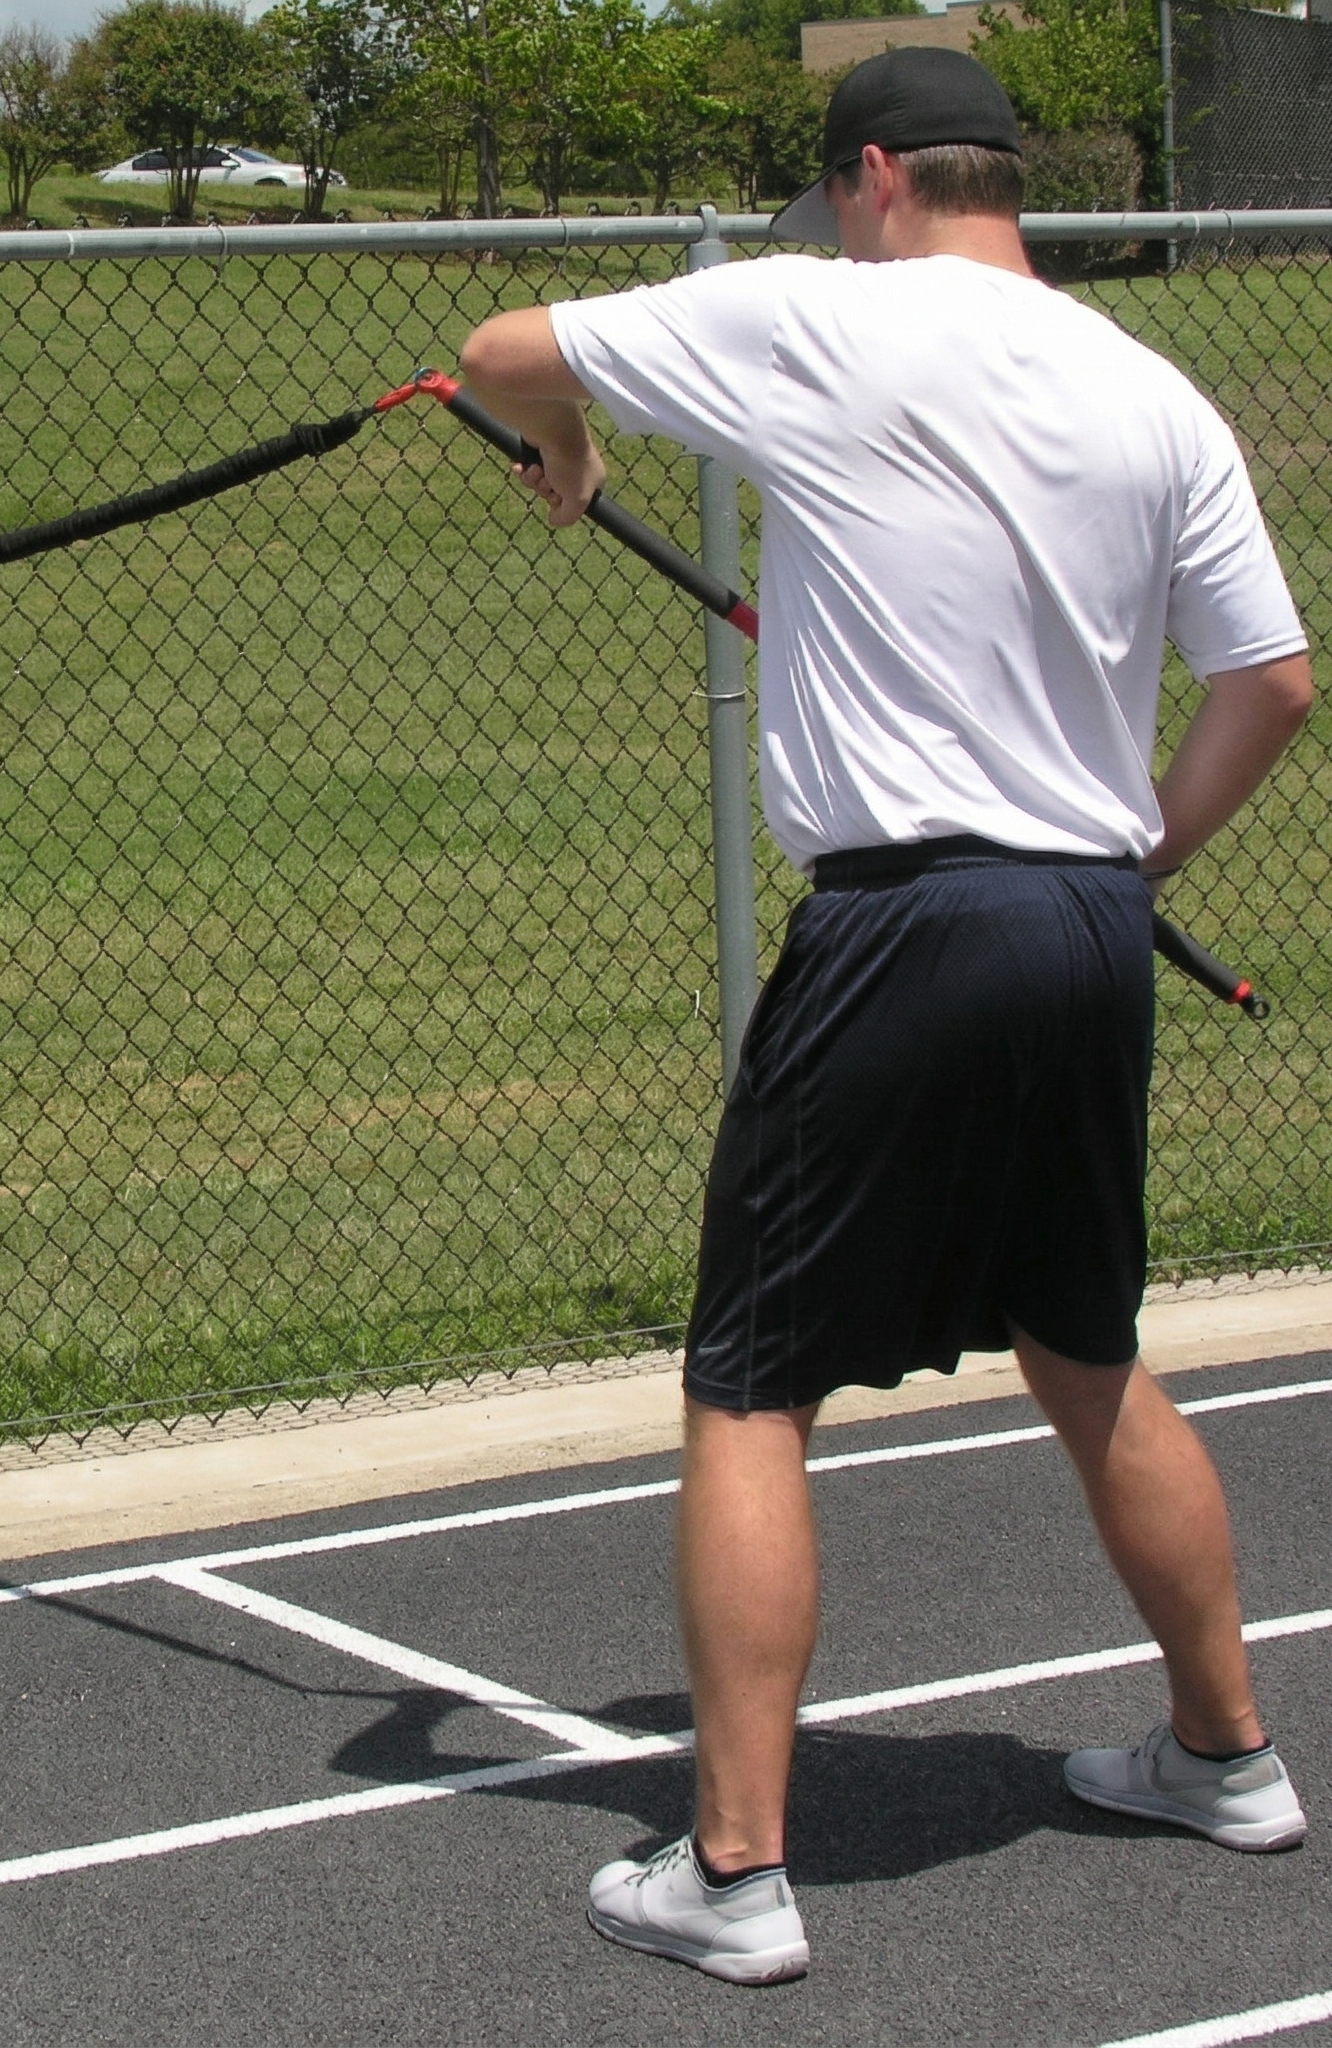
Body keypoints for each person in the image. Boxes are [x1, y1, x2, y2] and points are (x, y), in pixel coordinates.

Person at [457, 46, 1314, 1987]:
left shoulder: (818, 319)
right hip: (1087, 926)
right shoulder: (1151, 386)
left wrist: (574, 456)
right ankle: (1224, 1752)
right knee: (1086, 1345)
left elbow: (503, 345)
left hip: (905, 922)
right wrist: (1138, 865)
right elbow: (1271, 680)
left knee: (752, 1377)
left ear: (870, 180)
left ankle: (737, 1868)